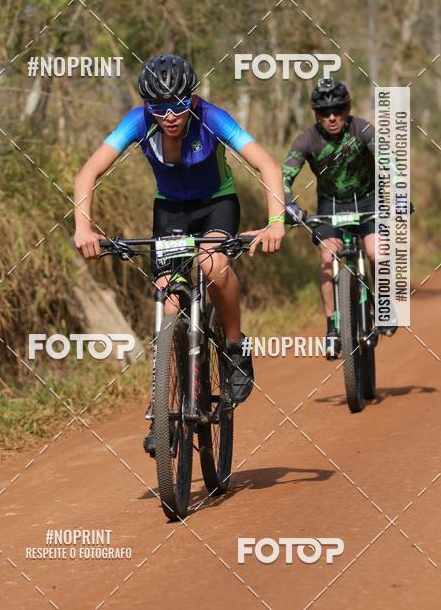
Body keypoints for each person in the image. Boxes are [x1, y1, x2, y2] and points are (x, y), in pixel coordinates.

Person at [74, 53, 286, 454]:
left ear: (192, 98)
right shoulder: (138, 123)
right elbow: (89, 172)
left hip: (216, 204)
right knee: (169, 297)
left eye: (178, 105)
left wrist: (276, 222)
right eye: (159, 108)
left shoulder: (212, 117)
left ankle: (236, 346)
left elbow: (267, 165)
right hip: (170, 210)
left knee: (212, 262)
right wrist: (83, 226)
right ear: (146, 106)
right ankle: (162, 411)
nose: (169, 116)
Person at [282, 77, 397, 357]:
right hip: (330, 207)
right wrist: (287, 205)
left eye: (337, 110)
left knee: (376, 253)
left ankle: (384, 304)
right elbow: (283, 176)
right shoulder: (307, 140)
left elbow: (389, 161)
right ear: (316, 114)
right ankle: (333, 326)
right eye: (324, 112)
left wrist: (399, 195)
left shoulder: (363, 130)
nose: (331, 117)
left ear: (347, 109)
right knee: (326, 258)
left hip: (368, 201)